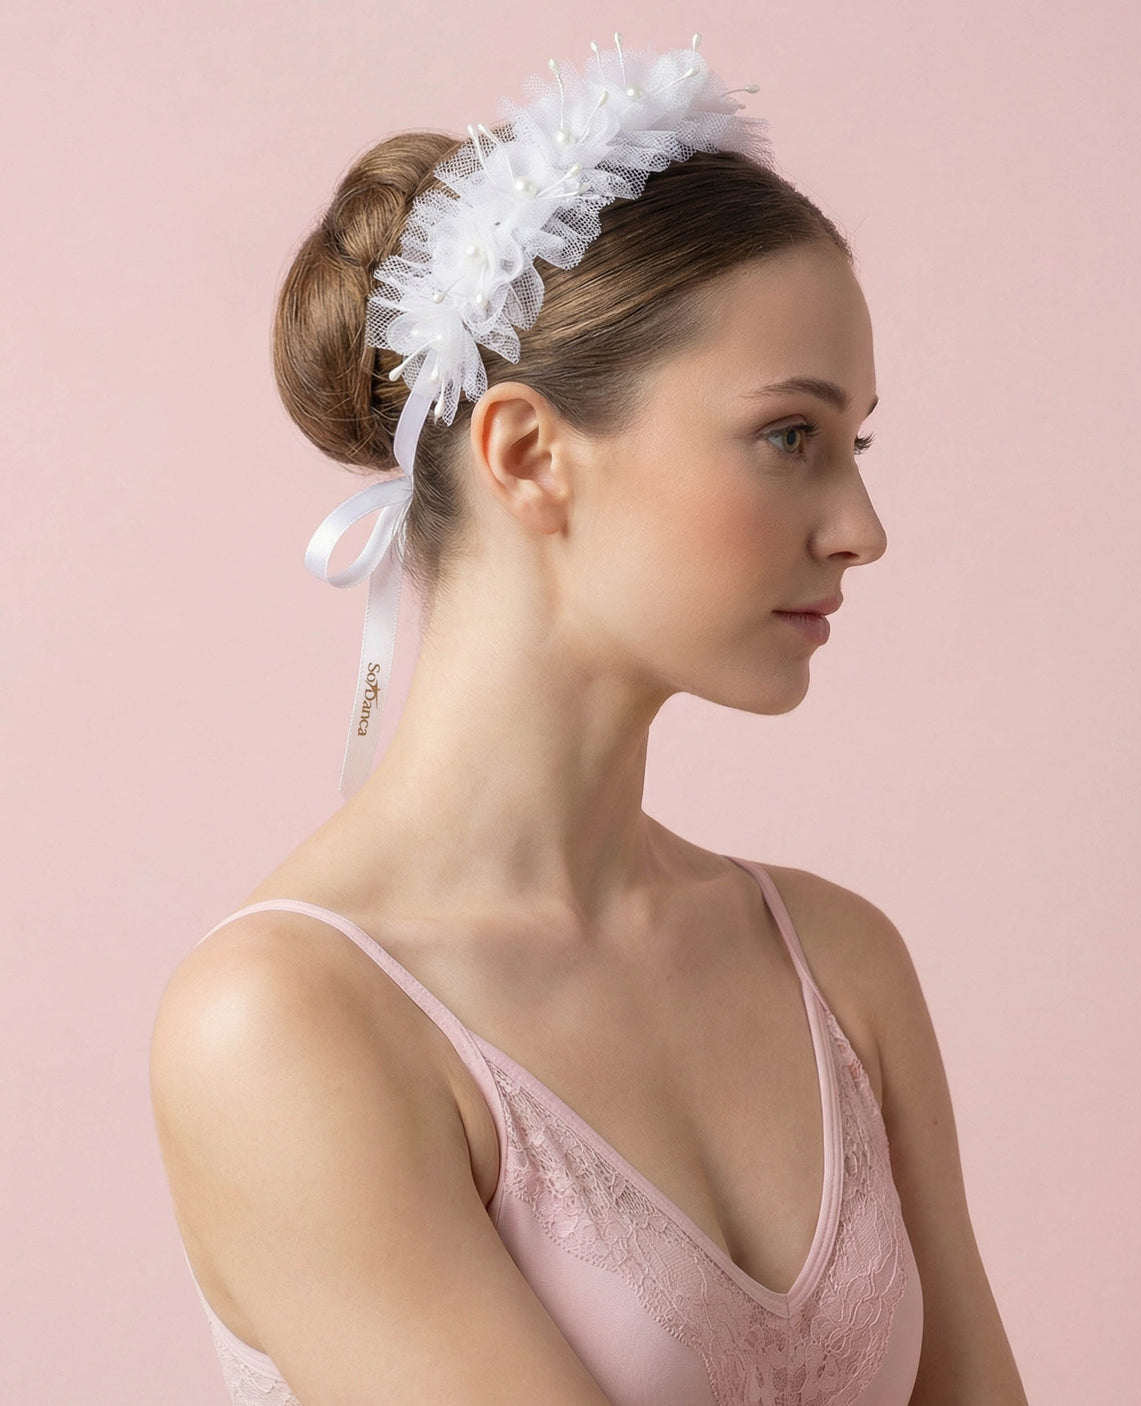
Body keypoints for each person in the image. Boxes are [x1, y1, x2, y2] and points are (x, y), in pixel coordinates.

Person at [149, 33, 1029, 1406]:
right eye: (792, 435)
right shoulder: (285, 1025)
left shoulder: (839, 968)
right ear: (529, 455)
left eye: (859, 443)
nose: (861, 528)